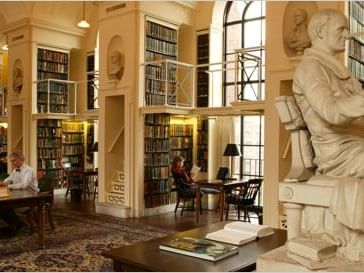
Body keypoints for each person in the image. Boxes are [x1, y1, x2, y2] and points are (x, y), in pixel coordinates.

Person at [292, 9, 364, 261]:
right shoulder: (310, 68)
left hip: (356, 143)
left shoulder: (337, 69)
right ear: (320, 31)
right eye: (341, 29)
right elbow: (330, 112)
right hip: (338, 152)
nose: (347, 35)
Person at [0, 151, 38, 237]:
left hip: (30, 197)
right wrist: (2, 183)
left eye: (15, 161)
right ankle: (17, 225)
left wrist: (9, 186)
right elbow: (9, 179)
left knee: (4, 207)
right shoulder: (15, 170)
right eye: (12, 161)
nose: (13, 163)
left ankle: (19, 225)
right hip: (20, 195)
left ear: (21, 160)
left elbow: (24, 185)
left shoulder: (28, 170)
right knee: (2, 206)